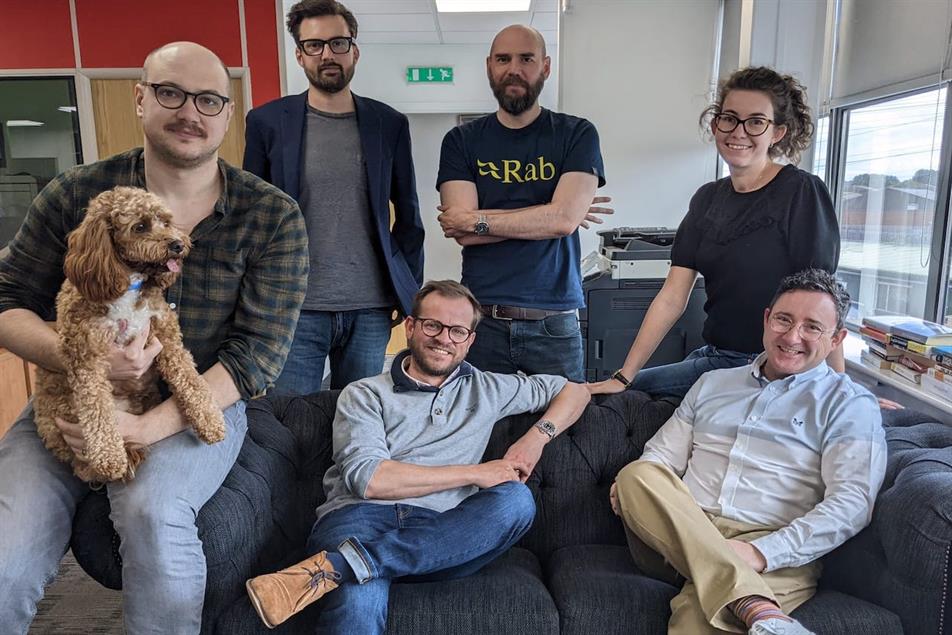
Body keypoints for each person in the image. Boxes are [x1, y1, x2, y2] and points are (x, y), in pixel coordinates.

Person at [0, 42, 308, 634]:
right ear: (140, 98)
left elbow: (257, 357)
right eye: (171, 93)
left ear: (228, 113)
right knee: (5, 553)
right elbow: (7, 299)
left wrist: (143, 428)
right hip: (70, 395)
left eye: (209, 100)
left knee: (152, 513)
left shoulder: (272, 216)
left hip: (196, 398)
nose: (190, 112)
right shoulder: (75, 194)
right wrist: (82, 358)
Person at [244, 280, 590, 633]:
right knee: (358, 601)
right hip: (360, 520)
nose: (444, 339)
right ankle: (358, 564)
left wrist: (536, 439)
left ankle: (343, 566)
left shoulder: (489, 388)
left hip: (445, 535)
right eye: (432, 325)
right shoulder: (364, 393)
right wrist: (475, 473)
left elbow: (575, 391)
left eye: (457, 331)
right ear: (410, 326)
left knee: (515, 500)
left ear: (470, 340)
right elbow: (370, 481)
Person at [611, 269, 886, 635]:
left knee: (695, 626)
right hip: (677, 531)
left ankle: (733, 589)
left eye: (812, 327)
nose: (792, 337)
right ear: (766, 319)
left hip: (773, 547)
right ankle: (754, 604)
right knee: (637, 476)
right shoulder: (712, 383)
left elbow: (852, 503)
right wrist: (639, 497)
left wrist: (761, 552)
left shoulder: (849, 404)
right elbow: (659, 458)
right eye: (784, 320)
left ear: (836, 339)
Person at [589, 66, 840, 399]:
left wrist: (838, 390)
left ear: (777, 132)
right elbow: (672, 297)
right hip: (715, 356)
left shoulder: (801, 191)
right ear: (715, 124)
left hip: (771, 367)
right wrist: (624, 375)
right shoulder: (708, 198)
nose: (739, 132)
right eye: (729, 119)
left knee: (631, 395)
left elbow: (824, 299)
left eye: (756, 122)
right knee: (624, 392)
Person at [244, 0, 424, 393]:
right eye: (314, 45)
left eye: (338, 43)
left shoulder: (389, 124)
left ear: (354, 51)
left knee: (359, 416)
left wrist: (409, 293)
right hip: (294, 306)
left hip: (370, 306)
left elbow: (409, 216)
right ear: (300, 55)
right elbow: (251, 219)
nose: (327, 54)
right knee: (291, 418)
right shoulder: (266, 123)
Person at [436, 24, 607, 383]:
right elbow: (461, 231)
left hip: (554, 322)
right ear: (489, 66)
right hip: (481, 320)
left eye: (526, 59)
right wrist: (548, 214)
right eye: (503, 59)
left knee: (562, 418)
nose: (514, 69)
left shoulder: (577, 133)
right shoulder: (461, 141)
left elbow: (563, 221)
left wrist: (478, 219)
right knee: (479, 418)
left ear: (545, 67)